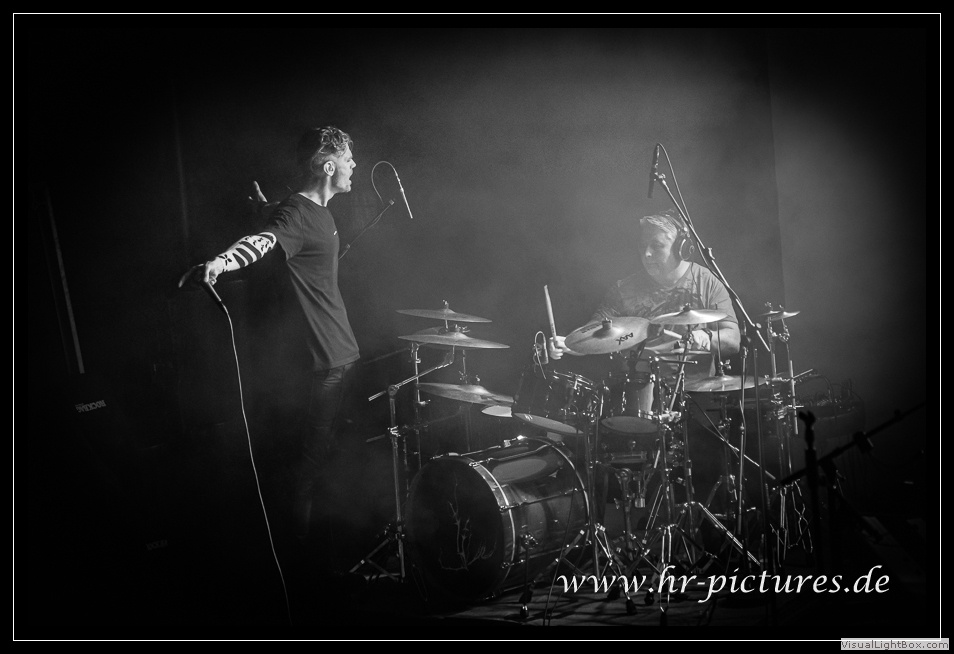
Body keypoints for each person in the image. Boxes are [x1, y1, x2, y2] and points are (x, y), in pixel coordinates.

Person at [178, 125, 360, 543]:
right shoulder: (297, 212)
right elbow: (264, 241)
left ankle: (321, 546)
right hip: (323, 364)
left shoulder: (314, 210)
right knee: (306, 472)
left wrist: (265, 208)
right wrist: (221, 263)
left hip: (342, 357)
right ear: (328, 166)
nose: (354, 166)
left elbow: (280, 221)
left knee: (328, 463)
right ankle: (298, 560)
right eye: (348, 159)